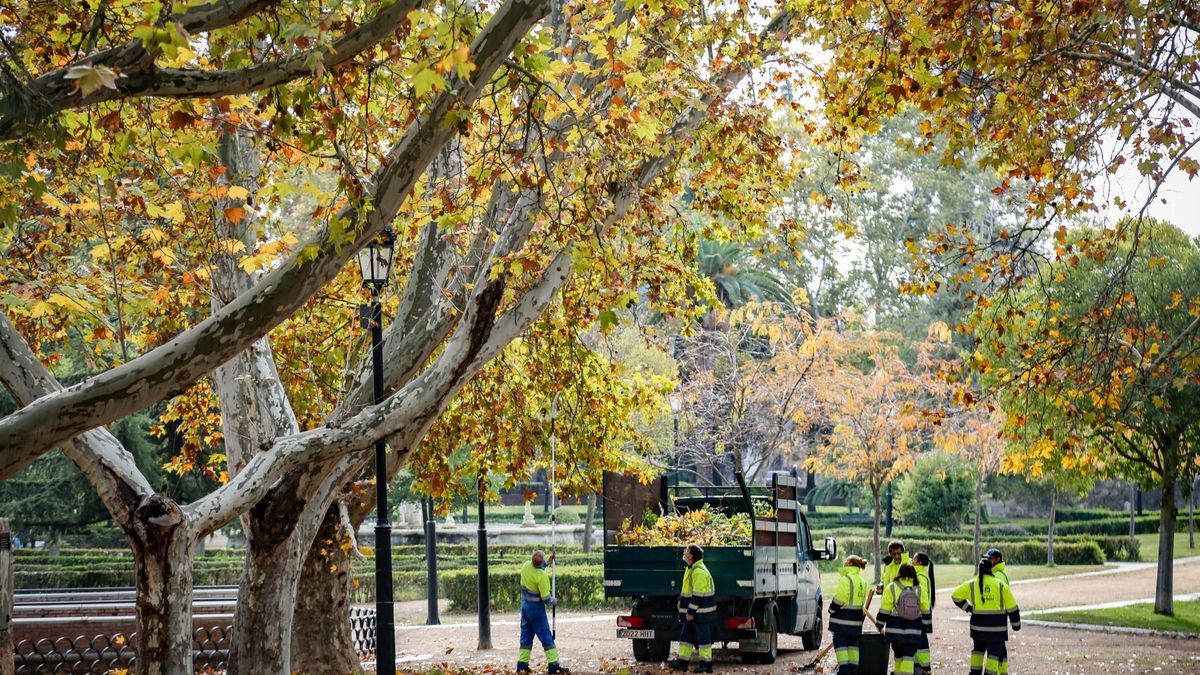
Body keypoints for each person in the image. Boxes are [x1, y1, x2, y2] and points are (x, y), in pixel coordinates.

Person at [951, 558, 1021, 675]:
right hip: (997, 630)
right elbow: (1013, 608)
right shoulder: (1001, 585)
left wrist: (968, 608)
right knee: (993, 655)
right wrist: (1016, 625)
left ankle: (974, 672)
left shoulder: (971, 584)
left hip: (977, 629)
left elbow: (955, 595)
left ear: (979, 570)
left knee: (978, 651)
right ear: (991, 569)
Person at [517, 550, 570, 673]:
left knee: (526, 637)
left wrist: (547, 563)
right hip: (536, 612)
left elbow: (536, 567)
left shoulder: (525, 566)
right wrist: (553, 601)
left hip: (525, 609)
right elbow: (546, 599)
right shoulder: (542, 577)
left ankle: (522, 665)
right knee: (546, 637)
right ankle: (553, 665)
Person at [669, 543, 716, 673]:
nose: (684, 551)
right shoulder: (691, 568)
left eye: (687, 550)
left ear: (691, 556)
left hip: (700, 613)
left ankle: (706, 665)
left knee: (703, 639)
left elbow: (698, 596)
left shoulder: (698, 572)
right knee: (686, 636)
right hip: (696, 612)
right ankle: (682, 663)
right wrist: (680, 601)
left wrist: (690, 612)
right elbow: (687, 590)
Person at [876, 563, 931, 675]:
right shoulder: (919, 589)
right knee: (908, 657)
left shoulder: (891, 587)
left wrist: (879, 624)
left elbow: (885, 610)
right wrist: (924, 627)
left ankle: (899, 672)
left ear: (899, 573)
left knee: (898, 656)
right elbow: (926, 611)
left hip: (895, 631)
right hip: (913, 630)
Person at [828, 555, 870, 674]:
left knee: (841, 644)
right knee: (853, 646)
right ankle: (853, 670)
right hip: (856, 621)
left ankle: (844, 670)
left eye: (846, 560)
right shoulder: (862, 581)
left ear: (850, 563)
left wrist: (831, 609)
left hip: (842, 621)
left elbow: (840, 598)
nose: (844, 562)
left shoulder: (846, 579)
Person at [910, 552, 936, 674]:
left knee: (920, 641)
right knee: (918, 640)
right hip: (921, 612)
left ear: (919, 562)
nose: (912, 560)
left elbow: (921, 596)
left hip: (920, 613)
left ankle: (925, 669)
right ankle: (919, 668)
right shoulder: (920, 574)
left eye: (914, 559)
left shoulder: (920, 576)